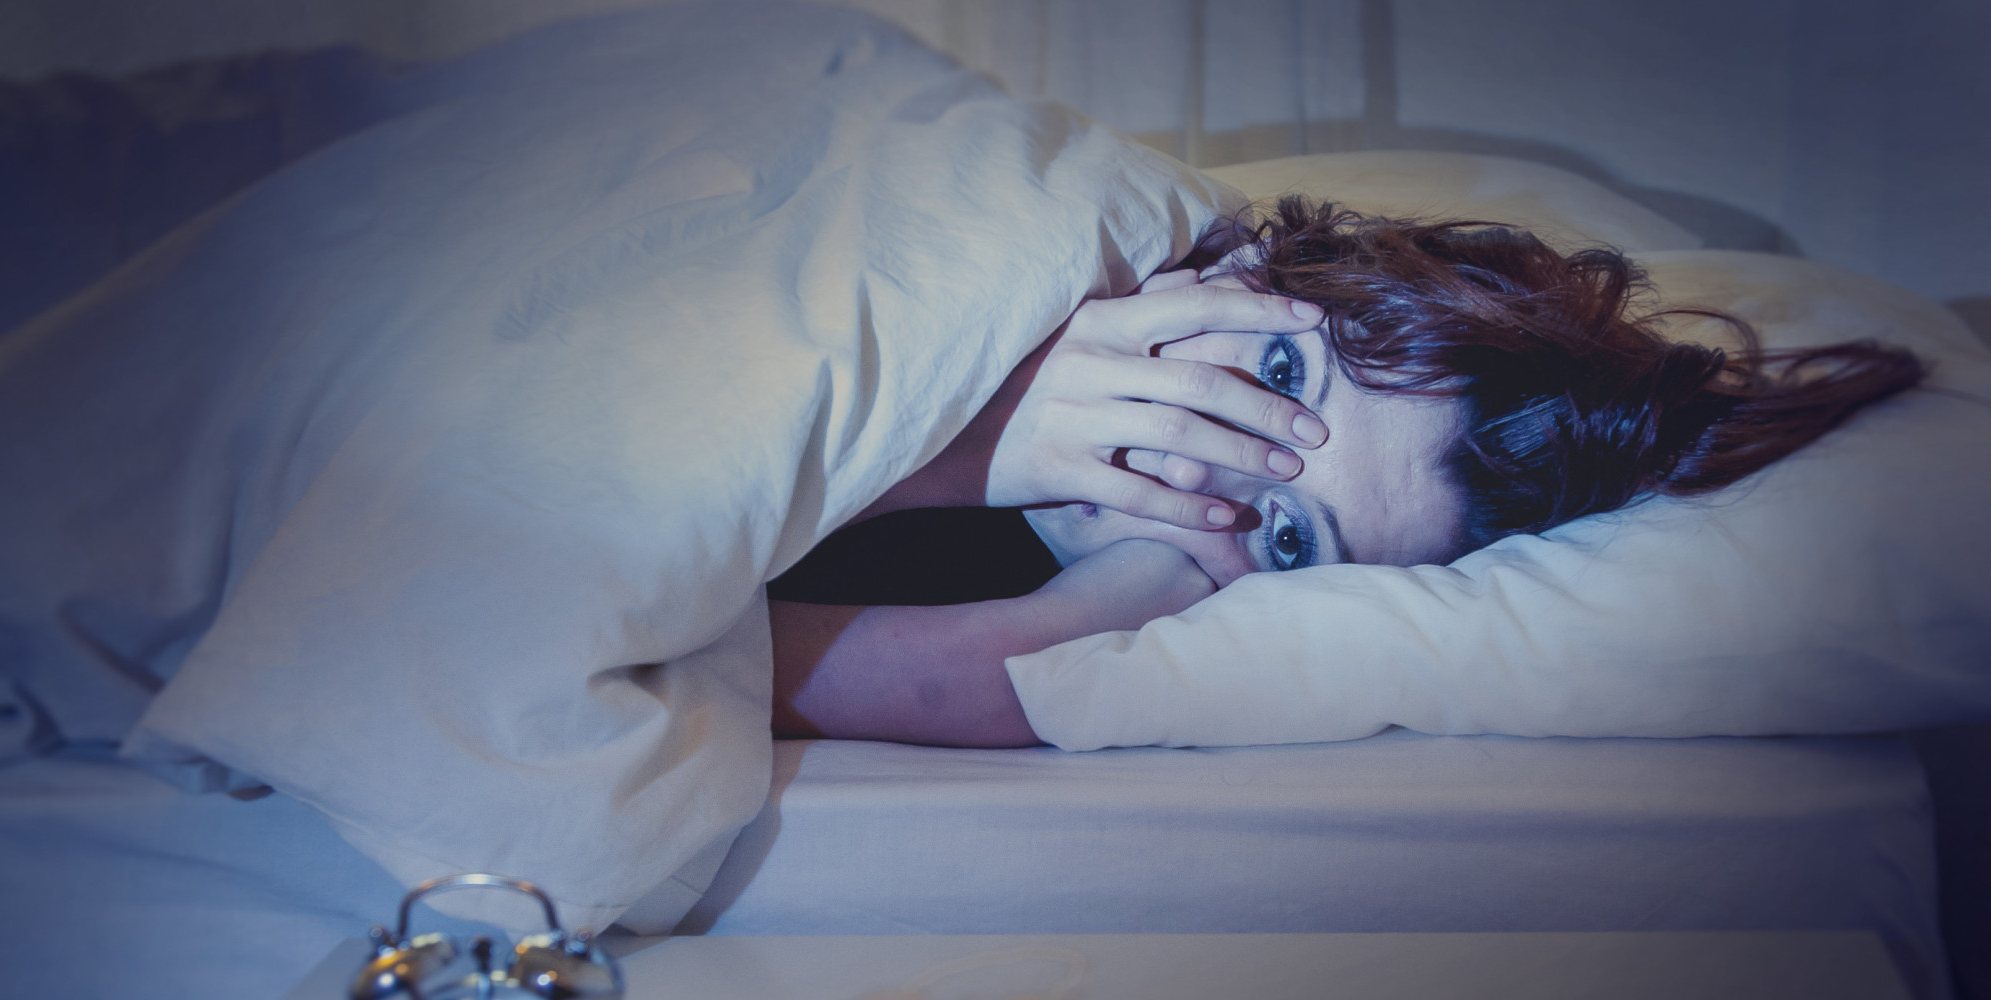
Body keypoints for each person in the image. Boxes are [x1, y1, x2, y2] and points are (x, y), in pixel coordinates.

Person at [767, 197, 1927, 749]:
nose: (1196, 462)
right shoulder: (1029, 234)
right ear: (1247, 262)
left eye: (1288, 534)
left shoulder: (1152, 561)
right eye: (1279, 371)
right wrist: (968, 428)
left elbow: (694, 634)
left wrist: (1044, 614)